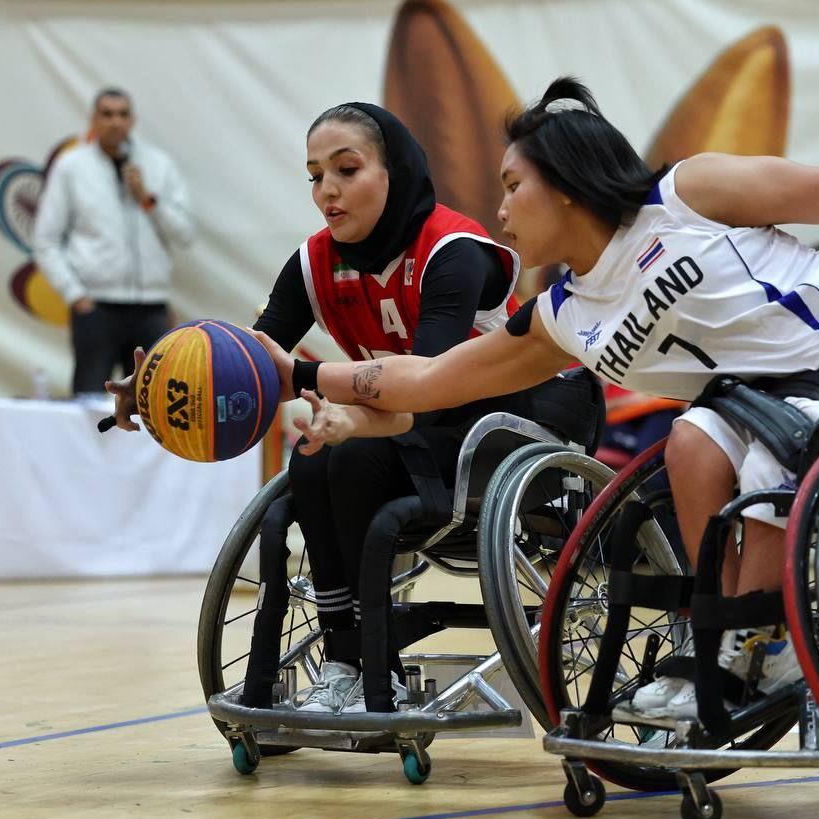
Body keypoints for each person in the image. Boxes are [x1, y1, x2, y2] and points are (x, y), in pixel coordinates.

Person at [248, 77, 819, 721]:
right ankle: (726, 635)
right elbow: (428, 380)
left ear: (566, 185)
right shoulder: (564, 314)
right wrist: (301, 377)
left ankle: (763, 639)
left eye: (512, 186)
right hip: (763, 398)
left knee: (765, 450)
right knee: (691, 440)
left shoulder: (686, 194)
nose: (499, 209)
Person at [106, 102, 555, 714]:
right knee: (315, 457)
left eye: (347, 169)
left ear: (394, 171)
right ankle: (344, 661)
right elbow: (255, 362)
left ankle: (373, 666)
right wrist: (160, 386)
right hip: (399, 429)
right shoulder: (314, 262)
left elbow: (432, 386)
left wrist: (352, 419)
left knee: (349, 457)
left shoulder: (454, 250)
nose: (327, 191)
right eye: (315, 176)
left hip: (493, 429)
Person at [33, 88, 193, 395]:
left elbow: (185, 234)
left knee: (155, 401)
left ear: (132, 120)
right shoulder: (72, 167)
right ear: (93, 119)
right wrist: (75, 295)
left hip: (150, 308)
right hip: (97, 308)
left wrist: (147, 199)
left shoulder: (158, 165)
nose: (115, 122)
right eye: (107, 114)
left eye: (122, 114)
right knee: (90, 401)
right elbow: (45, 240)